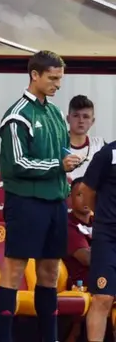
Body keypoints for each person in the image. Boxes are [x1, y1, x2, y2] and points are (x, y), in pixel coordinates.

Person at [0, 50, 81, 342]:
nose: (58, 84)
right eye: (53, 78)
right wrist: (58, 164)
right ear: (35, 75)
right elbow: (18, 163)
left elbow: (61, 150)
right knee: (15, 269)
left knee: (51, 272)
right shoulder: (18, 114)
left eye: (60, 79)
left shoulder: (55, 112)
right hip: (26, 202)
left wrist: (69, 158)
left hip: (56, 201)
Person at [79, 141, 116, 341]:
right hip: (108, 237)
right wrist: (102, 217)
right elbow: (85, 191)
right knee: (102, 298)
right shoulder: (107, 154)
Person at [67, 94, 105, 180]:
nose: (81, 120)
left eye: (86, 117)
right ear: (68, 118)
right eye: (76, 116)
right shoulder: (55, 144)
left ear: (93, 121)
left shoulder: (100, 145)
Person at [63, 178, 91, 290]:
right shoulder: (67, 225)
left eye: (90, 194)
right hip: (82, 285)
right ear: (70, 198)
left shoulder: (100, 222)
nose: (86, 200)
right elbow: (88, 259)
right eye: (80, 194)